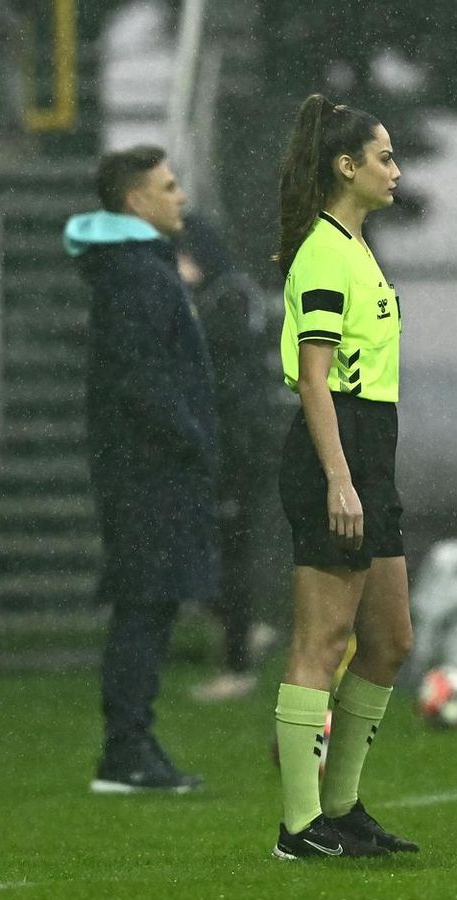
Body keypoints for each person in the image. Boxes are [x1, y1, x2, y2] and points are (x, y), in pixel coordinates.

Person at [270, 94, 419, 860]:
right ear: (347, 166)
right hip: (337, 451)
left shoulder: (356, 247)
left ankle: (343, 808)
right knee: (322, 641)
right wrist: (338, 477)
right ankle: (299, 828)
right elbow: (314, 376)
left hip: (371, 452)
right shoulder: (325, 252)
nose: (396, 170)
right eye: (385, 157)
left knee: (389, 639)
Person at [64, 146, 219, 794]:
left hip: (145, 466)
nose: (180, 197)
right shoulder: (137, 274)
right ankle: (126, 750)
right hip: (146, 470)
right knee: (145, 603)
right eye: (169, 186)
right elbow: (142, 379)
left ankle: (132, 745)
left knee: (150, 603)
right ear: (135, 201)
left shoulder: (138, 267)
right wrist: (194, 440)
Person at [175, 215, 280, 704]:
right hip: (225, 441)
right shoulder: (224, 295)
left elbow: (222, 366)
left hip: (237, 445)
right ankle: (241, 630)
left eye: (180, 254)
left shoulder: (228, 298)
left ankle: (237, 664)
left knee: (230, 551)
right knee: (199, 546)